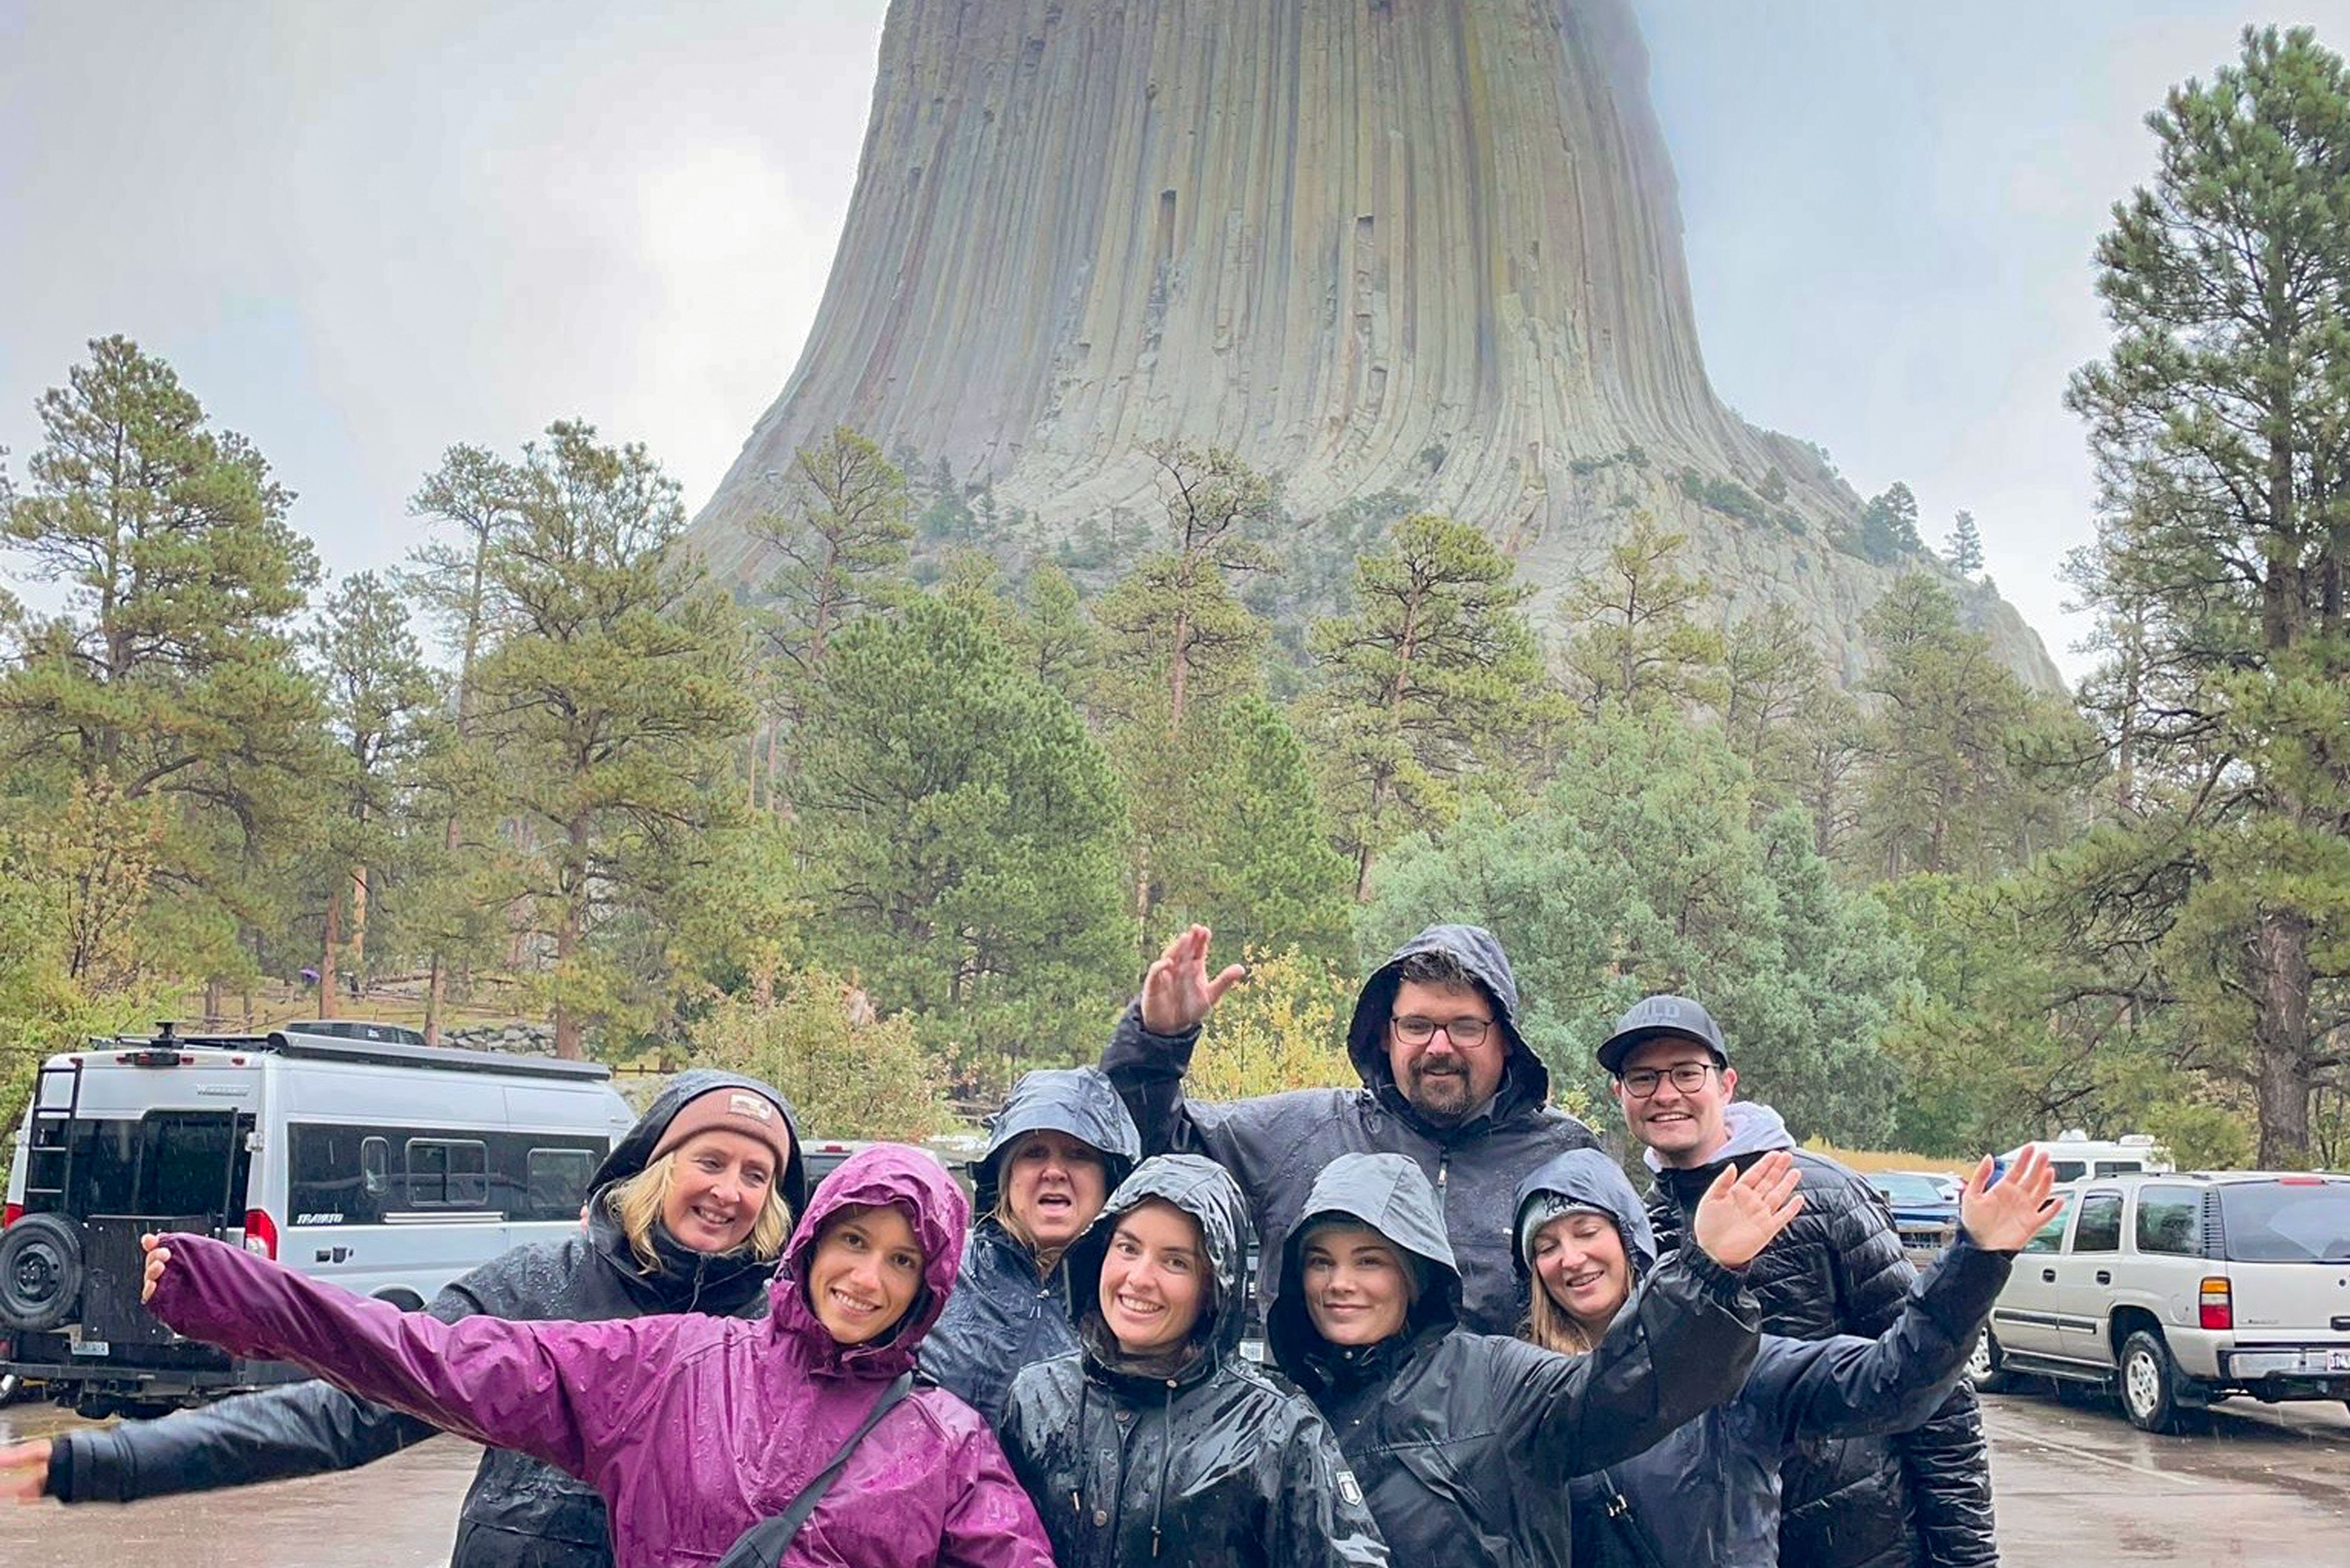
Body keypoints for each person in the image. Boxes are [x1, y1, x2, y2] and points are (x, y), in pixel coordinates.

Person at [2, 1070, 804, 1568]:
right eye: (709, 1161)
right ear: (654, 1167)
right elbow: (345, 1411)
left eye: (755, 1175)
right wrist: (109, 1463)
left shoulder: (783, 1331)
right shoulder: (536, 1290)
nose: (729, 1191)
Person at [131, 1145, 1053, 1568]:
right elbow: (440, 1360)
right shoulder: (676, 1364)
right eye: (854, 1239)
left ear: (930, 1282)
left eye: (902, 1258)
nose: (868, 1276)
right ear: (811, 1241)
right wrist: (237, 1291)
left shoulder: (944, 1439)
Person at [1600, 994, 1999, 1568]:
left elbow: (1935, 1386)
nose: (1666, 1094)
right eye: (1643, 1079)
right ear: (1621, 1097)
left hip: (1857, 1542)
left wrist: (1965, 1558)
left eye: (1687, 1073)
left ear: (1726, 1083)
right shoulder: (1642, 1225)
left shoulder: (1825, 1196)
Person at [1517, 1145, 2058, 1566]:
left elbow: (1891, 1381)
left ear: (1629, 1238)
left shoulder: (1728, 1366)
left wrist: (1976, 1262)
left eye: (1587, 1231)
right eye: (1546, 1246)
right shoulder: (1523, 1387)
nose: (1572, 1258)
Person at [1266, 1148, 1788, 1565]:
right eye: (1321, 1262)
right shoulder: (1282, 1412)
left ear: (1414, 1275)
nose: (1340, 1284)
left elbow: (1628, 1388)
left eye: (1369, 1260)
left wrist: (1708, 1273)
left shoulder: (1496, 1378)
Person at [1103, 922, 1598, 1335]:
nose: (1440, 1047)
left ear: (1507, 1039)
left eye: (1466, 1027)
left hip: (1507, 1441)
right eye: (1418, 1026)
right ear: (1386, 1035)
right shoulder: (1301, 1133)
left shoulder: (1562, 1154)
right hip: (1315, 1441)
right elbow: (1153, 1152)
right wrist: (1157, 1046)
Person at [997, 1154, 1390, 1566]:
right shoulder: (1036, 1398)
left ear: (1214, 1289)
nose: (1139, 1279)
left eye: (1175, 1262)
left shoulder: (1273, 1427)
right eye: (1128, 1248)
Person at [922, 1065, 1140, 1425]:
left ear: (1110, 1179)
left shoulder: (1135, 1294)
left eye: (1078, 1155)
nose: (1054, 1171)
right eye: (1035, 1153)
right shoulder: (942, 1270)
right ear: (1005, 1175)